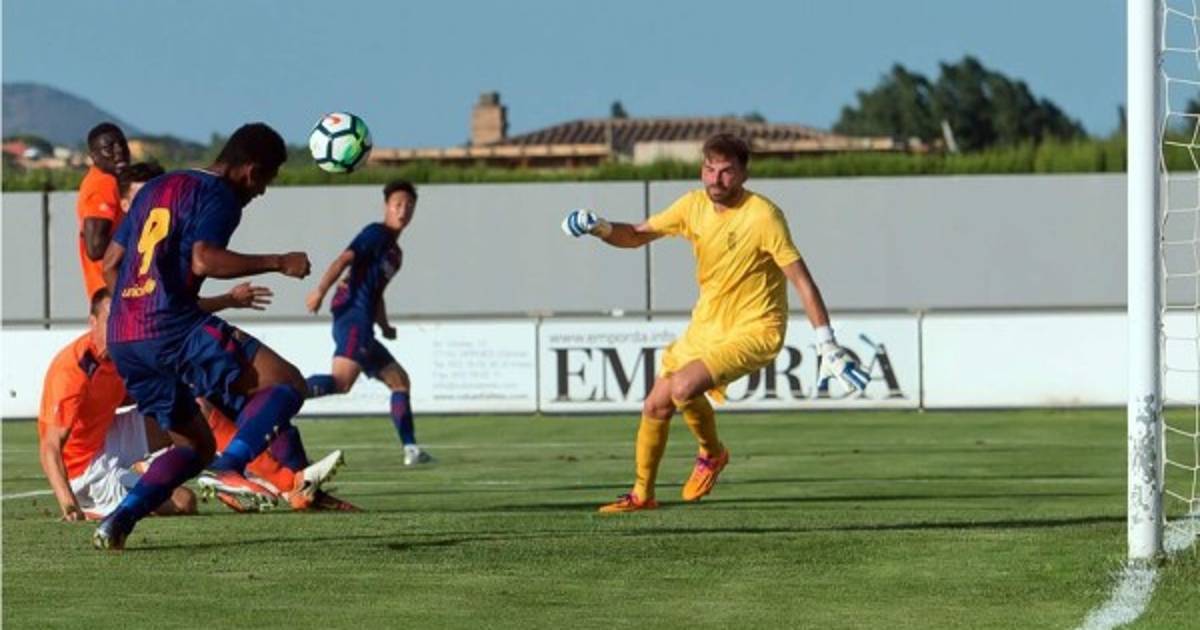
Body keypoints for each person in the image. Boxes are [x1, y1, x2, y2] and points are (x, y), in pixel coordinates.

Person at [561, 133, 869, 513]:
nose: (715, 179)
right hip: (707, 325)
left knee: (683, 386)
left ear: (743, 174)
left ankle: (712, 454)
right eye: (709, 169)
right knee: (655, 405)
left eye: (726, 172)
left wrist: (827, 342)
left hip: (756, 328)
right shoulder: (693, 205)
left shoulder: (764, 216)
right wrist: (600, 227)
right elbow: (636, 236)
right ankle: (642, 495)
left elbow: (802, 281)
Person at [94, 122, 312, 550]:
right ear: (250, 170)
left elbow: (109, 263)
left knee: (194, 446)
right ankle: (230, 467)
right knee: (287, 383)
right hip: (170, 326)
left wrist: (134, 306)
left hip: (124, 337)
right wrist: (278, 261)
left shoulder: (157, 187)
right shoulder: (219, 194)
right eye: (265, 180)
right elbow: (204, 260)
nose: (261, 192)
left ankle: (118, 521)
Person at [304, 180, 432, 466]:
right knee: (341, 381)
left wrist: (384, 326)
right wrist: (319, 291)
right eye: (398, 204)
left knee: (400, 381)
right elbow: (343, 260)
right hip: (352, 317)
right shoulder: (375, 233)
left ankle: (411, 450)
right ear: (387, 206)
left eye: (409, 206)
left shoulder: (396, 255)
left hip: (365, 323)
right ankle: (282, 393)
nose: (404, 211)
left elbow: (377, 294)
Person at [39, 289, 195, 521]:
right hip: (83, 470)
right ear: (93, 323)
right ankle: (92, 505)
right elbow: (49, 446)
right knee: (185, 501)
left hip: (107, 437)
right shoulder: (72, 370)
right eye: (110, 322)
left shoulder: (122, 354)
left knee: (182, 412)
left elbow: (124, 395)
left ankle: (224, 468)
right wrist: (69, 505)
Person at [77, 123, 131, 304]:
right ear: (94, 156)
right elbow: (95, 247)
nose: (119, 151)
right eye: (109, 148)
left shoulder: (108, 181)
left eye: (122, 144)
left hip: (112, 292)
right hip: (112, 292)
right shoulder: (103, 184)